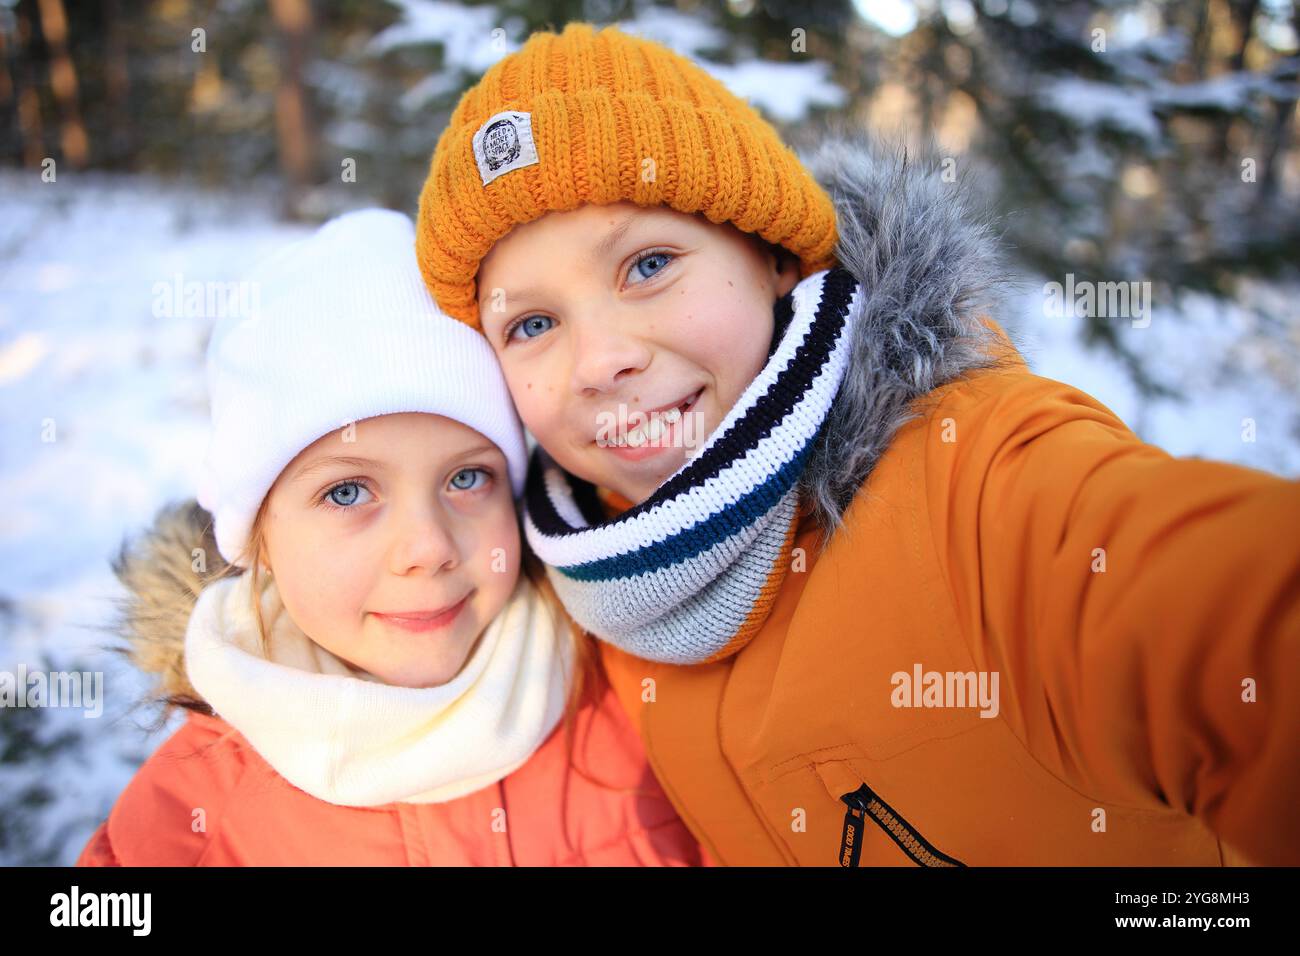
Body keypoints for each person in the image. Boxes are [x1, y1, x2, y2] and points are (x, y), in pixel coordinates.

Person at [413, 22, 1300, 866]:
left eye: (649, 266)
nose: (600, 361)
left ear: (773, 259)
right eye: (532, 324)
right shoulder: (582, 588)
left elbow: (1224, 617)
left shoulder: (979, 485)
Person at [75, 208, 701, 866]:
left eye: (467, 478)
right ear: (259, 540)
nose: (428, 548)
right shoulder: (188, 826)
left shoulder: (632, 703)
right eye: (348, 493)